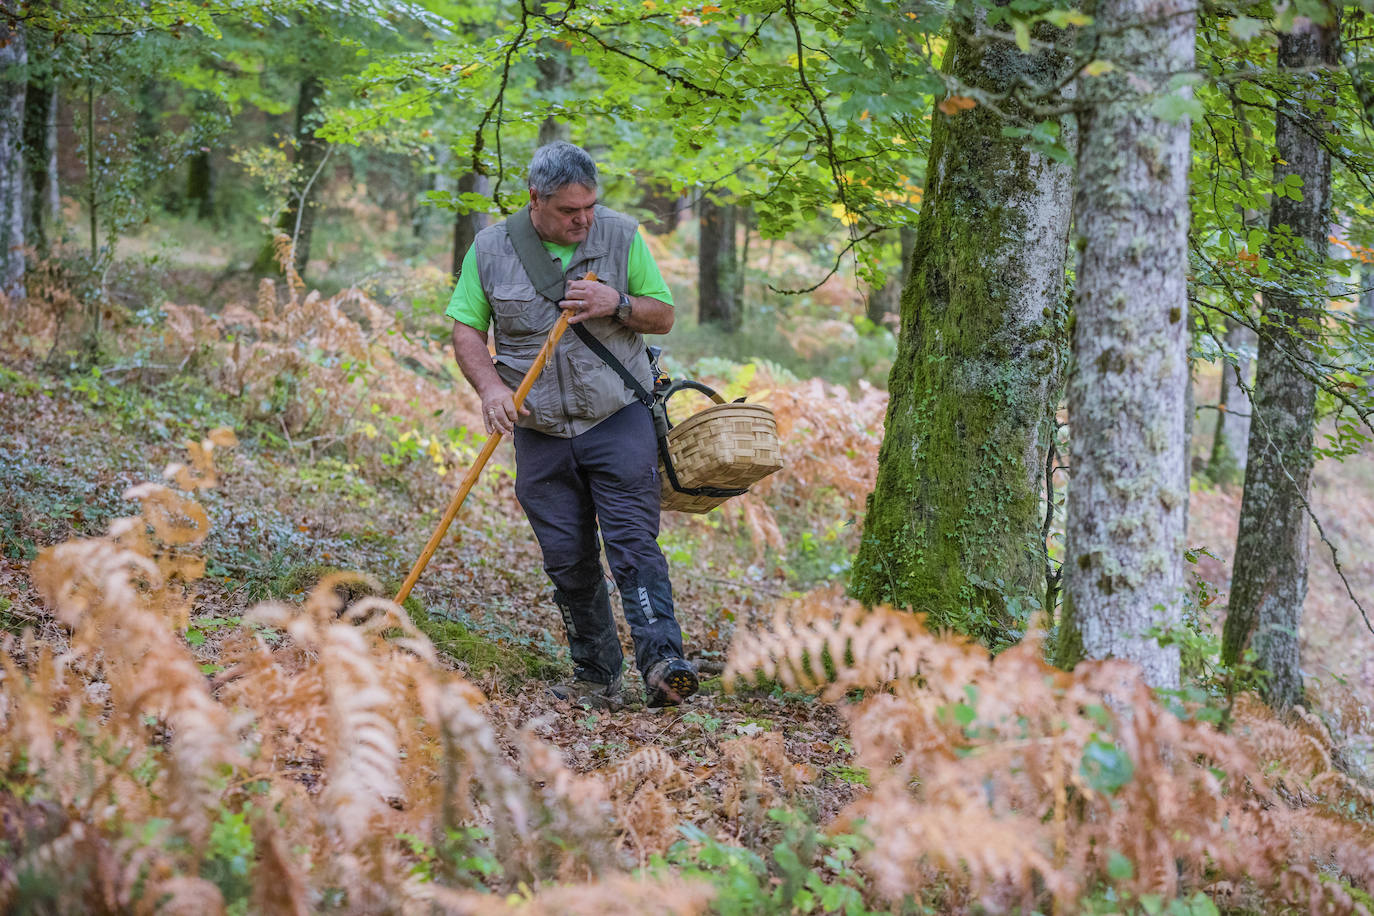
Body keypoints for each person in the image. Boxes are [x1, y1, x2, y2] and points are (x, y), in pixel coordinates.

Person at [445, 141, 699, 710]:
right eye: (569, 211)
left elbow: (664, 314)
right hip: (540, 429)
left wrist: (618, 303)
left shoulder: (621, 234)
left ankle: (663, 664)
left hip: (617, 417)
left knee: (633, 544)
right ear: (535, 199)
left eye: (590, 207)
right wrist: (491, 389)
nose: (583, 220)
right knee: (566, 554)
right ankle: (595, 673)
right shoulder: (489, 249)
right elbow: (466, 330)